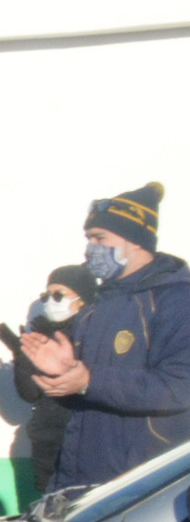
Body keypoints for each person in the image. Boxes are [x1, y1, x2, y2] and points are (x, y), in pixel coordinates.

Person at [19, 183, 190, 490]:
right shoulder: (97, 306)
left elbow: (180, 386)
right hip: (83, 478)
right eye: (88, 239)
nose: (90, 248)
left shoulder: (175, 300)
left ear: (136, 240)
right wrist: (67, 371)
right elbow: (88, 394)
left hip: (142, 485)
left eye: (100, 238)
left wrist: (89, 380)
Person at [5, 265, 98, 494]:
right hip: (47, 443)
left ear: (82, 299)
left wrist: (61, 342)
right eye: (46, 296)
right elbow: (30, 394)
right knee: (49, 505)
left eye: (58, 295)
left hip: (84, 441)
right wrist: (22, 355)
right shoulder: (42, 335)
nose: (50, 302)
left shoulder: (96, 333)